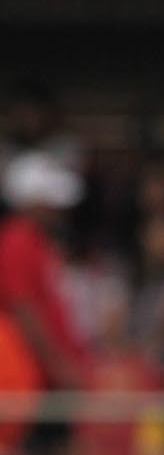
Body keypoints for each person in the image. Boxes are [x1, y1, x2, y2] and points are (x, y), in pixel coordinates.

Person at [0, 151, 89, 389]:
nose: (57, 209)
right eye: (50, 201)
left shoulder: (36, 241)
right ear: (32, 201)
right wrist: (59, 366)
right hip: (35, 377)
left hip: (46, 373)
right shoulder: (17, 240)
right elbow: (23, 308)